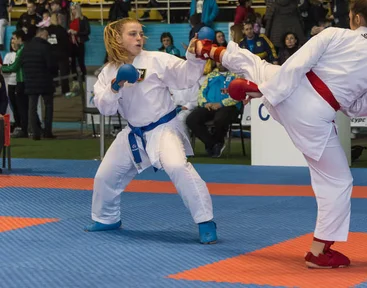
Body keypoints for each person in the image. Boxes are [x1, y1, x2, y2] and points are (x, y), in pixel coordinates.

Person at [196, 0, 367, 269]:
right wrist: (342, 100)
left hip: (290, 91)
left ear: (356, 18)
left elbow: (297, 64)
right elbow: (363, 109)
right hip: (316, 117)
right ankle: (319, 251)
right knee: (337, 181)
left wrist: (266, 90)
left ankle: (209, 50)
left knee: (260, 66)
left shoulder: (334, 34)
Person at [85, 19, 217, 245]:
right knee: (105, 176)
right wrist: (116, 85)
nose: (139, 38)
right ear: (118, 39)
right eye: (132, 34)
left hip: (163, 129)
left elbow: (186, 76)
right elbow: (105, 107)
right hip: (133, 133)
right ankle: (107, 218)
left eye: (141, 34)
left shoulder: (156, 59)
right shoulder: (108, 72)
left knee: (177, 167)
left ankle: (205, 221)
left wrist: (195, 55)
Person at [185, 62, 241, 158]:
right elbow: (202, 92)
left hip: (229, 107)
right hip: (210, 106)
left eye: (223, 60)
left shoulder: (236, 75)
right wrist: (205, 103)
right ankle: (213, 143)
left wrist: (221, 104)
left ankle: (218, 142)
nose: (221, 63)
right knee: (191, 119)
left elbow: (238, 95)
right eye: (218, 60)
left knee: (219, 119)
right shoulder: (211, 75)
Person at [21, 28, 57, 140]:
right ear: (42, 35)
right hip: (45, 81)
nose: (47, 38)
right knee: (48, 106)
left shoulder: (26, 47)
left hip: (31, 80)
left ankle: (35, 133)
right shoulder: (46, 47)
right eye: (46, 36)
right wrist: (53, 74)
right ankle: (47, 132)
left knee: (32, 108)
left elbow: (22, 63)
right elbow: (51, 65)